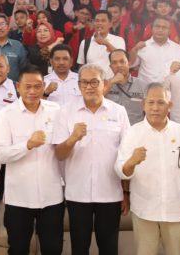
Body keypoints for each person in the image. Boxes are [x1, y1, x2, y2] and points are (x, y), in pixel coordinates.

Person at [115, 83, 180, 255]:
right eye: (151, 102)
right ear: (143, 104)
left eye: (161, 103)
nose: (155, 108)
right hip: (144, 210)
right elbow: (119, 170)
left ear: (170, 105)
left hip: (176, 209)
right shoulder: (133, 133)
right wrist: (131, 162)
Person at [54, 64, 130, 255]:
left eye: (94, 82)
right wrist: (73, 138)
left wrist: (126, 193)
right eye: (84, 82)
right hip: (77, 194)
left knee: (109, 247)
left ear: (104, 84)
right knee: (79, 248)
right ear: (79, 86)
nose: (89, 86)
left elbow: (127, 154)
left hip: (110, 193)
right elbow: (59, 155)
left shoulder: (118, 112)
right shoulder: (65, 112)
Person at [0, 65, 64, 255]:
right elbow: (0, 154)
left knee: (53, 249)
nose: (33, 91)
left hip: (51, 197)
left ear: (44, 86)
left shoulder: (56, 110)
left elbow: (62, 149)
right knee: (18, 250)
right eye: (28, 86)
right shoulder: (6, 114)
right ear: (18, 86)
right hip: (19, 198)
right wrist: (27, 145)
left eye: (38, 86)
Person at [129, 17, 180, 84]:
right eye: (157, 26)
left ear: (169, 31)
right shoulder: (142, 46)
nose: (160, 30)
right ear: (152, 29)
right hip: (145, 90)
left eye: (164, 27)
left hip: (169, 91)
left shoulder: (178, 48)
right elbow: (131, 64)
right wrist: (135, 49)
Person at [77, 10, 126, 78]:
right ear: (93, 23)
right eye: (97, 21)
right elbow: (81, 66)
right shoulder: (85, 43)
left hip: (113, 84)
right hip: (92, 85)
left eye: (103, 21)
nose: (99, 23)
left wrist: (106, 43)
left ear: (110, 24)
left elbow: (122, 59)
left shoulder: (119, 40)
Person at [43, 43, 82, 108]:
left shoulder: (81, 80)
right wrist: (46, 93)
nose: (61, 62)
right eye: (57, 59)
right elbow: (36, 106)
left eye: (65, 59)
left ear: (71, 61)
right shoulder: (43, 82)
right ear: (51, 61)